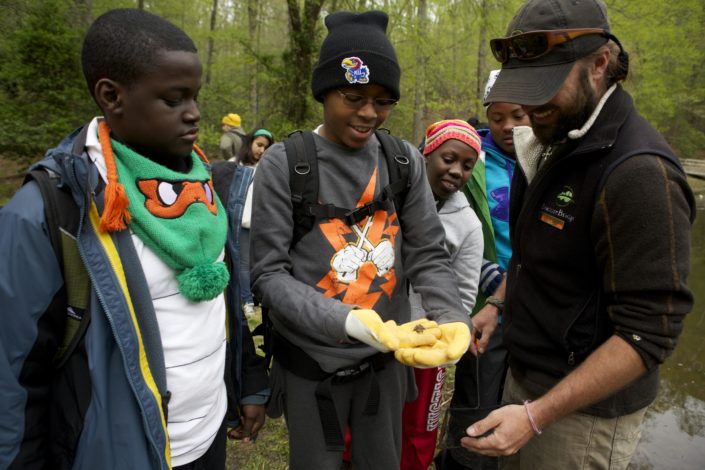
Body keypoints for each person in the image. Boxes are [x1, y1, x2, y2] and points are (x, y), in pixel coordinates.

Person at [0, 9, 268, 469]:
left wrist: (248, 382)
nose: (195, 113)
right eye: (173, 98)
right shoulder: (50, 213)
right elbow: (15, 377)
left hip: (206, 437)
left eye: (196, 96)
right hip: (120, 453)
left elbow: (222, 300)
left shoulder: (205, 186)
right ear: (112, 96)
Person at [461, 1, 695, 469]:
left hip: (580, 419)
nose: (527, 110)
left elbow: (649, 332)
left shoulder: (640, 175)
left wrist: (536, 417)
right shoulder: (549, 139)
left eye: (543, 92)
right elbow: (533, 253)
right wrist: (498, 304)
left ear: (600, 64)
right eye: (521, 91)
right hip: (524, 382)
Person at [249, 10, 472, 470]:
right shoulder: (284, 164)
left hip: (385, 364)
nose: (369, 113)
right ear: (323, 92)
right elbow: (268, 276)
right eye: (353, 97)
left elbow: (429, 254)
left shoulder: (403, 162)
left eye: (383, 101)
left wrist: (452, 316)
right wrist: (348, 321)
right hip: (312, 364)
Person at [437, 70, 531, 470]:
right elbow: (445, 235)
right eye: (497, 117)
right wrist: (486, 275)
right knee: (477, 393)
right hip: (483, 299)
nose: (507, 126)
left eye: (519, 115)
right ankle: (461, 459)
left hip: (534, 301)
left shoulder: (550, 157)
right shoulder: (469, 162)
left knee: (523, 395)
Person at [401, 119, 484, 470]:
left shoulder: (467, 225)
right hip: (380, 333)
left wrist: (444, 350)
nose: (456, 170)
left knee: (419, 427)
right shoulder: (391, 199)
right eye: (448, 158)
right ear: (425, 154)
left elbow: (463, 296)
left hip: (426, 345)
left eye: (467, 166)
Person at [212, 128, 274, 317]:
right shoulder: (234, 165)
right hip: (241, 222)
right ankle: (246, 301)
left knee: (258, 263)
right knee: (242, 263)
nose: (262, 150)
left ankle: (255, 297)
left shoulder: (269, 168)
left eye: (266, 147)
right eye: (259, 145)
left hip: (262, 223)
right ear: (250, 144)